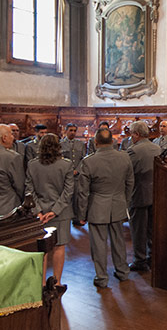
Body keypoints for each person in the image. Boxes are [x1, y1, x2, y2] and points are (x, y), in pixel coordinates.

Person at [78, 128, 134, 288]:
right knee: (119, 241)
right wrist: (125, 202)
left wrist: (81, 213)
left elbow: (82, 192)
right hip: (118, 203)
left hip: (97, 206)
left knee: (98, 244)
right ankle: (123, 272)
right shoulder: (124, 157)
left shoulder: (89, 161)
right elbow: (130, 183)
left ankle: (102, 277)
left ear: (95, 143)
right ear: (112, 141)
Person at [25, 133, 74, 286]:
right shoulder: (66, 164)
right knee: (59, 246)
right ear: (58, 146)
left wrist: (38, 211)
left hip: (40, 214)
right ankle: (57, 282)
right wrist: (55, 211)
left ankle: (42, 283)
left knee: (42, 249)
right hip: (61, 212)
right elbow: (68, 191)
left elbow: (29, 190)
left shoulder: (32, 164)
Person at [126, 121, 162, 271]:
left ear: (136, 134)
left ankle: (139, 260)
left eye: (131, 134)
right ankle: (153, 257)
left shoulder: (134, 151)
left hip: (138, 194)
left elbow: (128, 172)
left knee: (138, 230)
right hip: (155, 193)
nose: (130, 137)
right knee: (152, 229)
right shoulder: (157, 148)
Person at [60, 123, 86, 226]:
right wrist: (69, 170)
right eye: (71, 130)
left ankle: (76, 217)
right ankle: (65, 218)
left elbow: (83, 158)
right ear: (66, 131)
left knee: (77, 197)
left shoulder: (80, 143)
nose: (73, 132)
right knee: (66, 196)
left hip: (76, 175)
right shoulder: (61, 144)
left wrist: (77, 170)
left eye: (75, 130)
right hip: (65, 175)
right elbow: (60, 159)